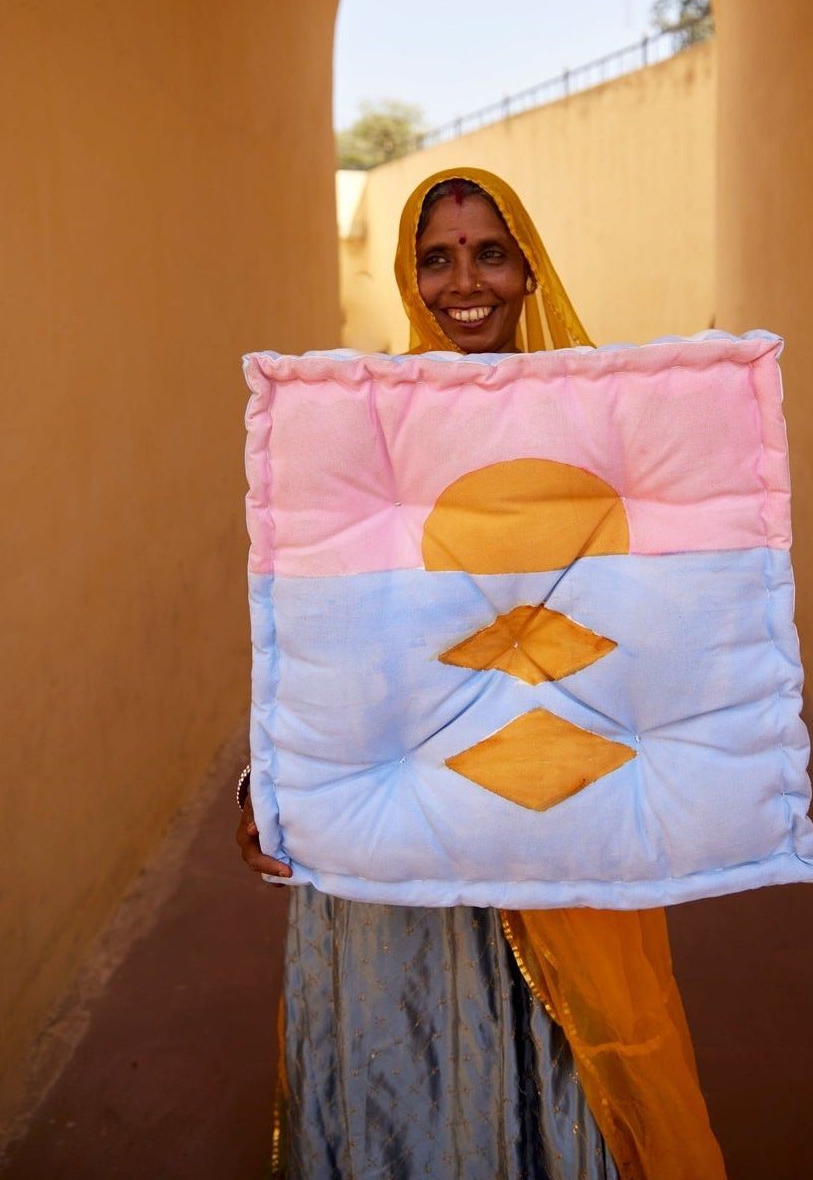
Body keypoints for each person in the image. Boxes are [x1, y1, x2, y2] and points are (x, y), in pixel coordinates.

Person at [237, 168, 727, 1180]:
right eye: (437, 258)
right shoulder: (366, 432)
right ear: (409, 277)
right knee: (407, 1066)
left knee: (568, 1066)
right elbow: (317, 631)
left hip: (549, 821)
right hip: (399, 840)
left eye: (490, 253)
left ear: (528, 267)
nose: (465, 282)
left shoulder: (595, 430)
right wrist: (270, 779)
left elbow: (651, 626)